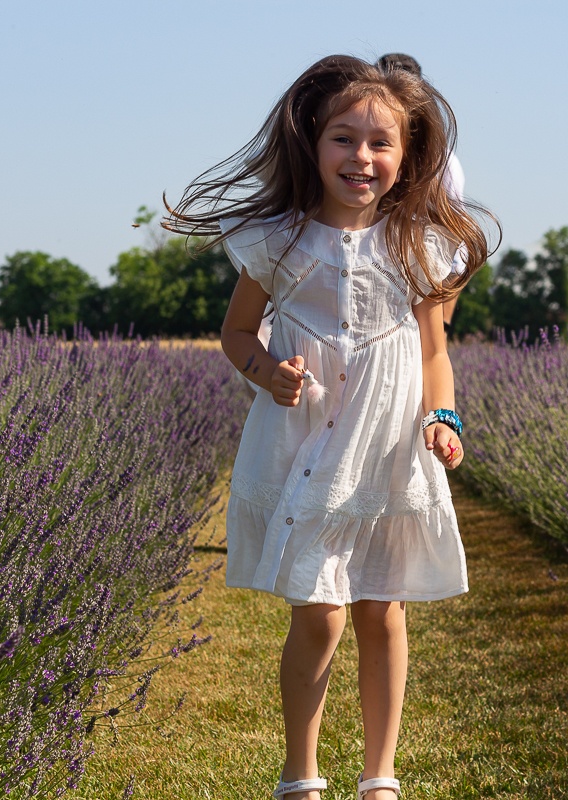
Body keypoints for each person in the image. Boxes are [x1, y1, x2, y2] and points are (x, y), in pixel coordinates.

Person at [163, 55, 495, 800]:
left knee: (382, 609)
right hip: (307, 442)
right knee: (322, 612)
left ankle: (380, 775)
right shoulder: (278, 241)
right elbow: (238, 334)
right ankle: (300, 772)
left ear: (408, 157)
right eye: (344, 139)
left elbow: (434, 353)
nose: (362, 158)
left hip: (388, 446)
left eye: (381, 144)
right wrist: (265, 371)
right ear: (312, 142)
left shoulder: (421, 246)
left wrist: (441, 419)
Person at [376, 53, 468, 339]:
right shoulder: (359, 152)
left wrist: (440, 325)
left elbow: (457, 249)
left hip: (416, 292)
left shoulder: (441, 163)